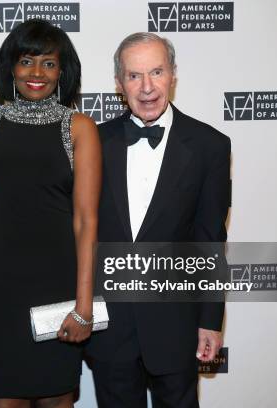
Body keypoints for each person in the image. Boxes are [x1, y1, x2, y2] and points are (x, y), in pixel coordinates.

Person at [85, 33, 231, 407]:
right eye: (134, 76)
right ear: (119, 83)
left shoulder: (210, 146)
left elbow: (210, 239)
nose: (147, 87)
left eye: (156, 72)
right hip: (109, 327)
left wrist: (210, 319)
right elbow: (64, 219)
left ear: (173, 75)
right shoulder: (92, 143)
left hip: (176, 326)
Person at [0, 19, 101, 408]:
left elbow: (86, 221)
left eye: (48, 63)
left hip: (56, 284)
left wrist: (84, 306)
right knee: (0, 400)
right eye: (27, 61)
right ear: (11, 66)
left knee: (55, 399)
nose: (37, 73)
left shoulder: (78, 127)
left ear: (63, 71)